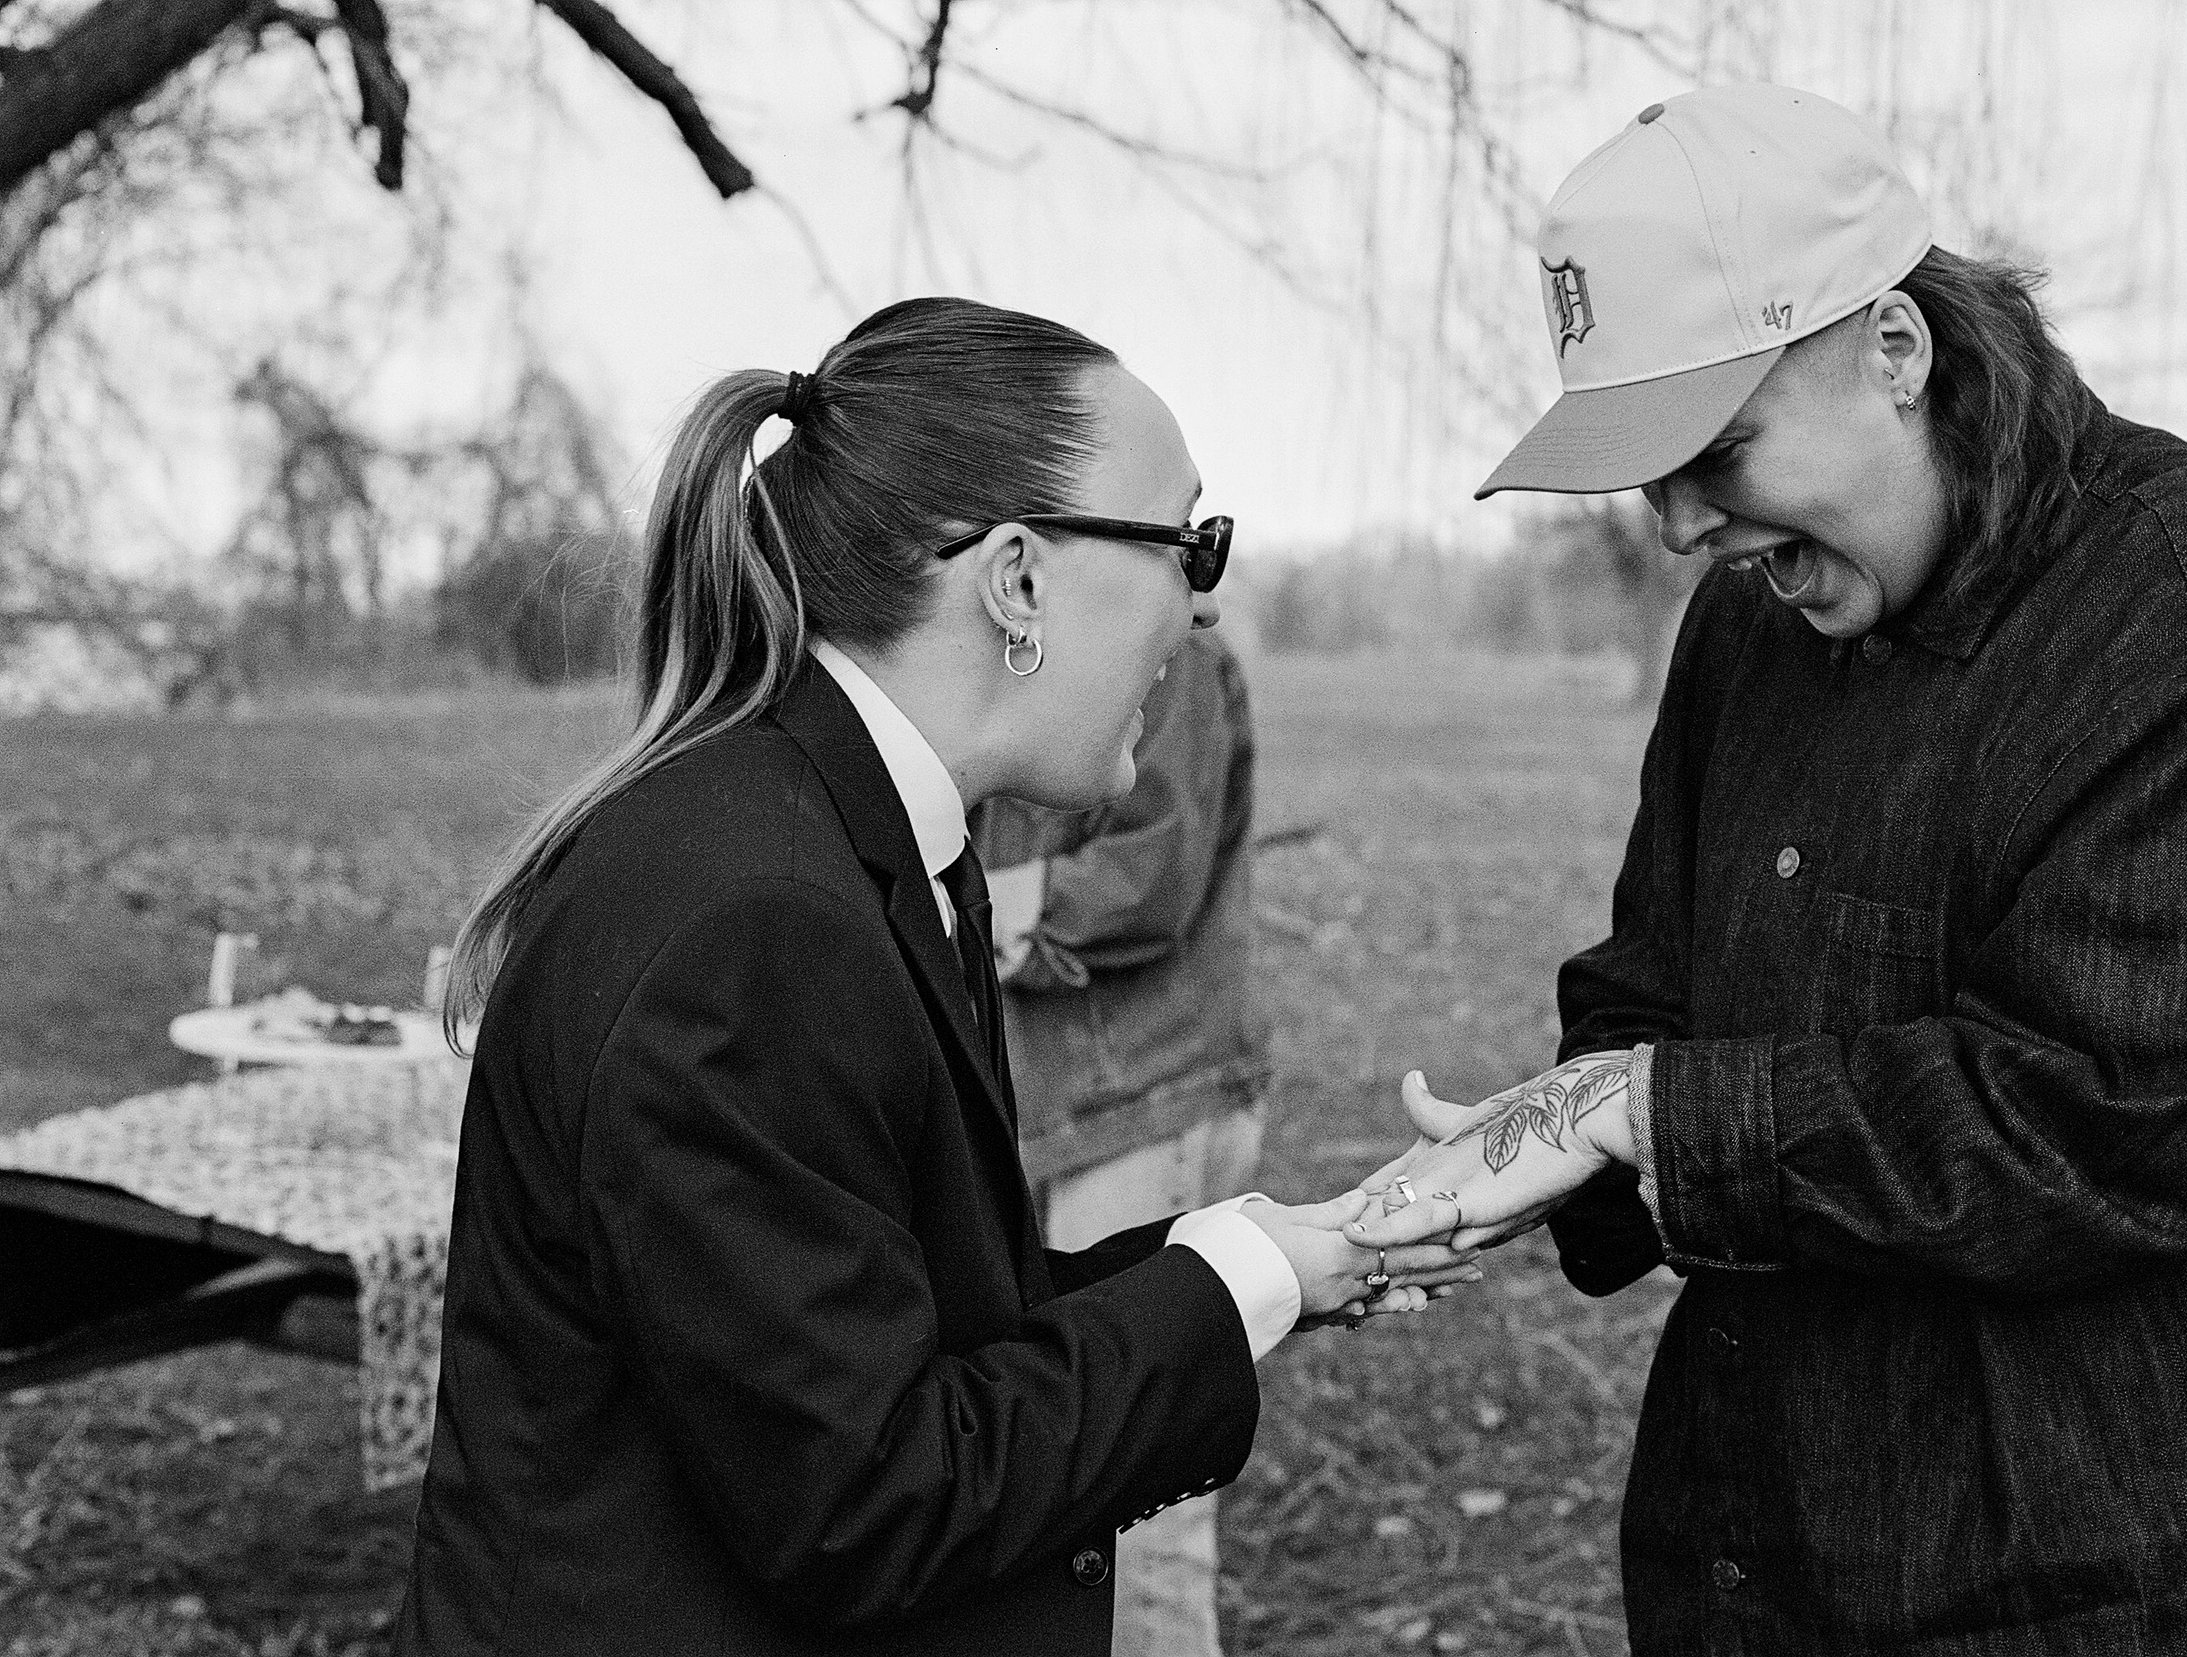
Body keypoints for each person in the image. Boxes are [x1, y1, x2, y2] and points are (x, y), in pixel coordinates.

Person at [1353, 85, 2187, 1653]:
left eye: (1719, 447)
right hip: (1803, 1552)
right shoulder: (1750, 627)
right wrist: (1563, 1143)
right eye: (1646, 470)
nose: (1682, 523)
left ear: (1897, 351)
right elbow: (1653, 986)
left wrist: (1649, 1115)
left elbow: (2106, 1123)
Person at [393, 298, 1476, 1657]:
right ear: (1017, 578)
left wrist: (1272, 1260)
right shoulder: (760, 922)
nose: (1201, 609)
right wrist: (1225, 1283)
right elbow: (869, 1502)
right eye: (1186, 542)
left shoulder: (867, 841)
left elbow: (905, 1320)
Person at [969, 623, 1266, 1657]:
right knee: (1075, 1466)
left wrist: (1008, 904)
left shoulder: (1170, 652)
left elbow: (1159, 870)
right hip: (1068, 1111)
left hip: (1152, 1099)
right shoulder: (1018, 652)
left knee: (1142, 1505)